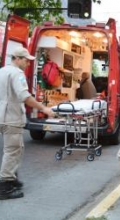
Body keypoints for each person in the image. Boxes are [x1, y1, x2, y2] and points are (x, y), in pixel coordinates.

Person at [0, 47, 55, 200]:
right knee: (12, 151)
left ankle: (12, 178)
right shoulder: (17, 74)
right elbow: (25, 96)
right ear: (17, 58)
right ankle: (5, 186)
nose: (28, 64)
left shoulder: (2, 71)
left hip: (2, 116)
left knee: (15, 149)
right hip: (11, 117)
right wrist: (44, 108)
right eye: (26, 60)